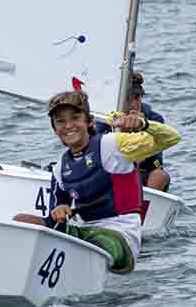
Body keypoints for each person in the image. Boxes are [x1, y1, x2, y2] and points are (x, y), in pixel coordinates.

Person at [15, 89, 181, 274]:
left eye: (75, 117)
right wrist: (59, 210)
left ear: (89, 121)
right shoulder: (59, 168)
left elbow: (172, 138)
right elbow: (57, 212)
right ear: (55, 130)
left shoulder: (113, 145)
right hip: (85, 234)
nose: (68, 125)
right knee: (20, 221)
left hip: (120, 238)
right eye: (60, 121)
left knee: (98, 241)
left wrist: (144, 124)